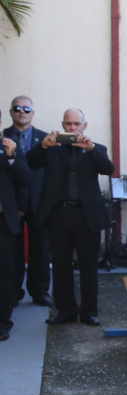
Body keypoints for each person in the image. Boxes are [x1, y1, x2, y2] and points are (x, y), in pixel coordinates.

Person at [27, 108, 115, 327]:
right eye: (68, 124)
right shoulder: (52, 149)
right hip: (58, 214)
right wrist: (43, 145)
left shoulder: (96, 148)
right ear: (63, 125)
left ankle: (89, 311)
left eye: (77, 124)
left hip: (87, 216)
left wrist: (92, 149)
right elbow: (30, 162)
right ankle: (65, 310)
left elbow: (108, 169)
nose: (73, 128)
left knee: (88, 266)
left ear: (84, 126)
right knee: (60, 265)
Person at [4, 95, 52, 308]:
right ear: (11, 112)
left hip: (38, 202)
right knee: (11, 251)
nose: (21, 111)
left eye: (26, 108)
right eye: (17, 108)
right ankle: (12, 292)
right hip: (11, 206)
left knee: (40, 249)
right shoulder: (3, 137)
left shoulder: (45, 140)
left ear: (32, 113)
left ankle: (39, 291)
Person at [0, 114, 30, 341]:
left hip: (4, 221)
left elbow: (25, 180)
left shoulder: (9, 147)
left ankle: (3, 322)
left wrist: (12, 157)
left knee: (6, 273)